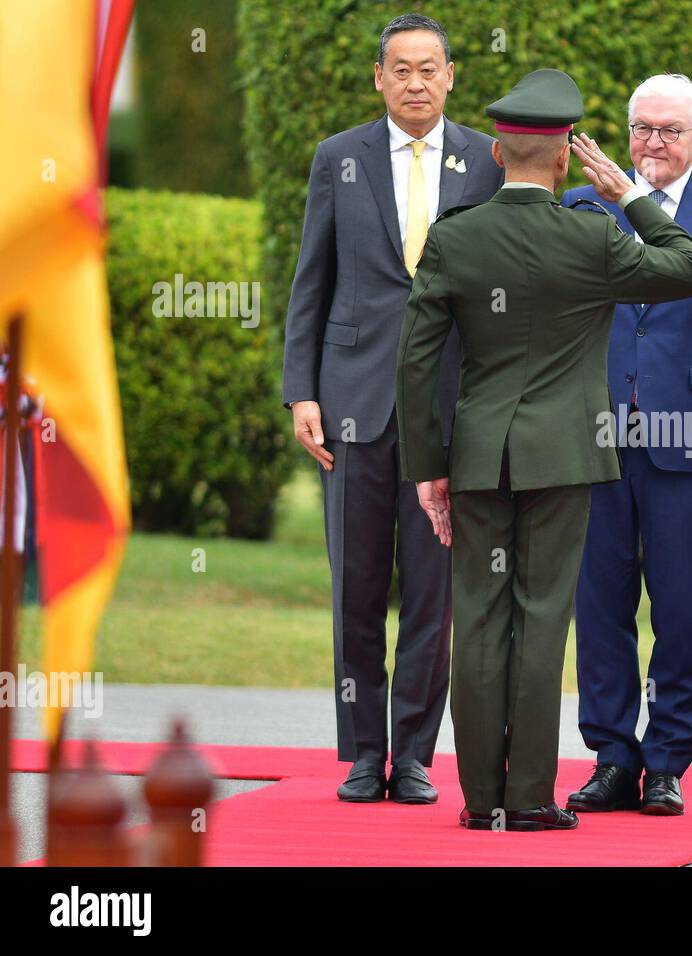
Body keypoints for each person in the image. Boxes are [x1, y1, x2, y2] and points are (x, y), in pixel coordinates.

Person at [396, 68, 692, 832]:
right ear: (566, 159)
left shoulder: (455, 235)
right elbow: (691, 268)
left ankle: (479, 800)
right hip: (565, 456)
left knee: (475, 619)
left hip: (477, 457)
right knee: (540, 619)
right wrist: (628, 196)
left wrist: (427, 468)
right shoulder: (596, 233)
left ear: (498, 156)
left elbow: (414, 362)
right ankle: (530, 797)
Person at [281, 14, 503, 804]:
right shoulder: (338, 158)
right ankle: (359, 751)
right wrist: (301, 390)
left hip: (450, 406)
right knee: (356, 584)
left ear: (451, 76)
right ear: (379, 78)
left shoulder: (485, 159)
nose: (415, 81)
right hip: (351, 402)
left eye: (429, 68)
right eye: (400, 69)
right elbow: (312, 280)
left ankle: (412, 753)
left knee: (433, 592)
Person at [561, 74, 692, 817]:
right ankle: (612, 756)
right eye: (643, 128)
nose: (654, 142)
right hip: (598, 435)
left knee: (683, 608)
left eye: (670, 130)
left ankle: (667, 761)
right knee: (600, 605)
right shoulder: (582, 206)